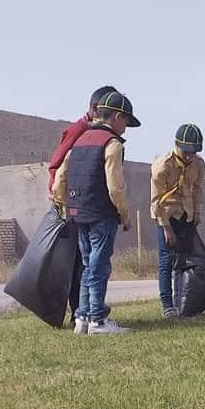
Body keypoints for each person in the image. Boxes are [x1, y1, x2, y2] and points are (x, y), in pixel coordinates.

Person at [65, 91, 140, 334]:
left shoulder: (79, 140)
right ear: (117, 117)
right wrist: (124, 214)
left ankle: (82, 319)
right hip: (101, 213)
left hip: (78, 211)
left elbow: (61, 179)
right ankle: (97, 320)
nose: (126, 128)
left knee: (88, 265)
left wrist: (62, 204)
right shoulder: (112, 143)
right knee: (99, 267)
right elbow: (115, 186)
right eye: (126, 122)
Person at [49, 85, 116, 327]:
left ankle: (84, 313)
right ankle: (85, 312)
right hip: (77, 205)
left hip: (80, 204)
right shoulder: (80, 131)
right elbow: (58, 166)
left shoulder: (93, 131)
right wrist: (60, 202)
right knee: (85, 264)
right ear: (99, 109)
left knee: (86, 262)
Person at [150, 124, 205, 318]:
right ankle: (167, 306)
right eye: (186, 151)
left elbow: (198, 189)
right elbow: (156, 201)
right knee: (166, 262)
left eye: (194, 152)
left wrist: (197, 213)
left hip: (186, 216)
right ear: (176, 144)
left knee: (182, 261)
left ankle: (180, 303)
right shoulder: (162, 166)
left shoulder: (198, 164)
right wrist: (167, 229)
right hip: (166, 216)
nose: (189, 156)